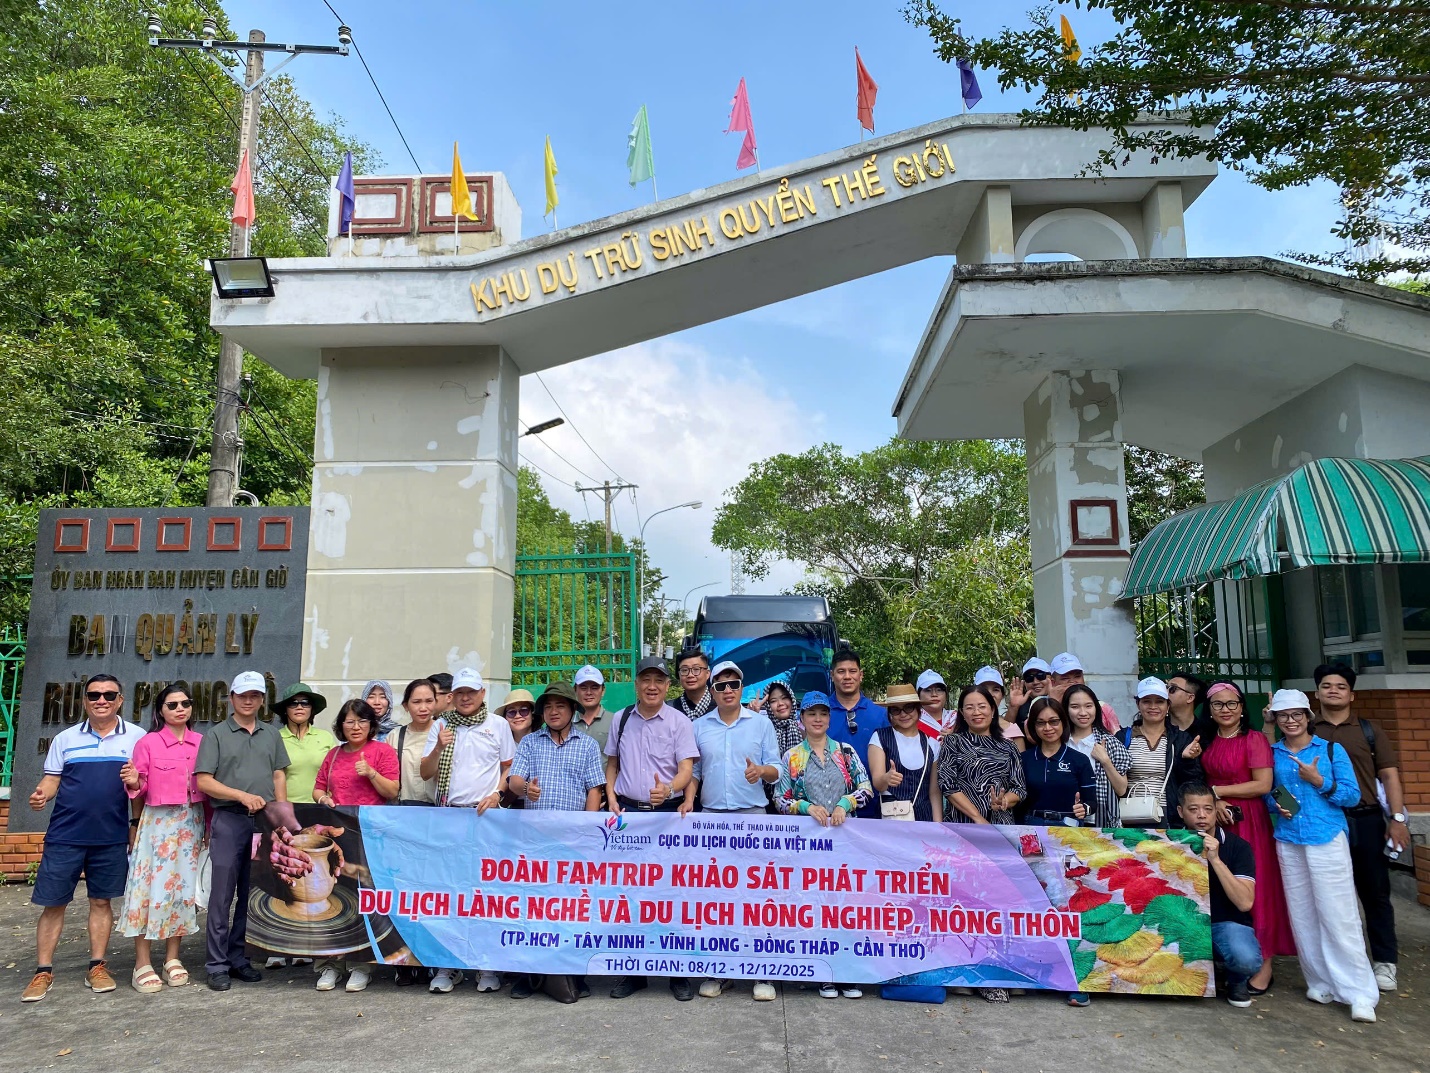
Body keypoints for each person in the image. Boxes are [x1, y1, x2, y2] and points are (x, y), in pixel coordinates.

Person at [23, 673, 138, 1002]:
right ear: (85, 701)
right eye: (94, 695)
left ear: (120, 700)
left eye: (108, 695)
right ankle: (42, 972)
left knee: (101, 902)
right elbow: (51, 781)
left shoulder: (136, 738)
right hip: (65, 835)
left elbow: (140, 787)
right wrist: (40, 795)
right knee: (54, 903)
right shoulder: (66, 739)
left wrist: (135, 814)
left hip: (111, 836)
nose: (101, 700)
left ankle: (97, 967)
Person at [1266, 688, 1378, 1023]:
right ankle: (1319, 981)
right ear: (1277, 719)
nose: (1291, 720)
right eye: (1284, 715)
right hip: (1288, 839)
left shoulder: (1331, 749)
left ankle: (1359, 992)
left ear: (1308, 716)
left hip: (1326, 836)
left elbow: (1351, 794)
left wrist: (1318, 780)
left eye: (1297, 714)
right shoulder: (1272, 753)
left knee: (1339, 914)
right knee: (1302, 914)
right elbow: (1268, 794)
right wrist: (1276, 805)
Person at [605, 656, 701, 1002]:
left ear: (667, 686)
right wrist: (610, 794)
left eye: (659, 681)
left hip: (669, 815)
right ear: (636, 684)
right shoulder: (622, 718)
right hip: (631, 815)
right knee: (632, 894)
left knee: (673, 893)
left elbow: (686, 769)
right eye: (646, 679)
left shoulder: (679, 721)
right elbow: (612, 763)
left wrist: (670, 789)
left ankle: (678, 973)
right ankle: (635, 972)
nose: (652, 686)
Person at [1312, 662, 1409, 992]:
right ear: (1317, 692)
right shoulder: (1307, 729)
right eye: (1327, 685)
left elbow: (1390, 776)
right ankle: (1337, 962)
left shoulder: (1370, 730)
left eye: (1340, 686)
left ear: (1351, 694)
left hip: (1365, 819)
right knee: (1329, 897)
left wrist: (1397, 819)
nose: (1333, 690)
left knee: (1375, 893)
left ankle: (1384, 962)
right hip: (1324, 823)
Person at [507, 681, 606, 1001]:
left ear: (572, 710)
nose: (553, 711)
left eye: (560, 706)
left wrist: (589, 831)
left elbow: (595, 790)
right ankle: (528, 975)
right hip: (535, 841)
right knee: (533, 908)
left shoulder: (588, 745)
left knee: (571, 909)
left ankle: (574, 973)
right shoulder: (530, 744)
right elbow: (515, 779)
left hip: (573, 841)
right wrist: (525, 790)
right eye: (548, 706)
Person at [689, 662, 781, 1002]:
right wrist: (688, 801)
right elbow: (694, 770)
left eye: (734, 684)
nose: (728, 690)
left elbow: (778, 770)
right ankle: (720, 971)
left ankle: (762, 972)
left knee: (756, 896)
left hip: (752, 818)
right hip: (712, 818)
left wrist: (762, 771)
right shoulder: (699, 727)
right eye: (721, 685)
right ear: (711, 690)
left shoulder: (761, 724)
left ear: (743, 687)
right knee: (717, 898)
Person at [194, 670, 289, 992]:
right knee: (221, 896)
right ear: (231, 698)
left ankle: (239, 958)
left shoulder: (271, 734)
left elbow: (278, 775)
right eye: (242, 695)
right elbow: (204, 780)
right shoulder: (217, 734)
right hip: (230, 820)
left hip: (263, 822)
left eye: (255, 696)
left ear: (262, 700)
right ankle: (216, 964)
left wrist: (282, 814)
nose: (249, 701)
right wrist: (240, 795)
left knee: (252, 894)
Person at [773, 691, 872, 1000]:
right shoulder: (792, 757)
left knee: (847, 908)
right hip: (808, 849)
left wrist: (846, 802)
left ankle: (847, 972)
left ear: (829, 718)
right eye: (811, 714)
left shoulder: (846, 752)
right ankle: (823, 973)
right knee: (814, 908)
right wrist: (803, 807)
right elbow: (779, 798)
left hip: (845, 845)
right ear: (801, 719)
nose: (817, 719)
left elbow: (866, 787)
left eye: (823, 713)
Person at [420, 667, 514, 995]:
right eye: (460, 692)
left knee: (485, 894)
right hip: (449, 817)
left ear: (482, 694)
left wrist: (497, 793)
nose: (465, 697)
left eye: (471, 692)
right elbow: (425, 772)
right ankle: (448, 966)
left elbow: (508, 767)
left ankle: (486, 966)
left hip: (485, 818)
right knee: (450, 893)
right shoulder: (442, 725)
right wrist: (437, 748)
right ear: (452, 696)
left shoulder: (498, 725)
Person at [1200, 680, 1292, 993]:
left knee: (1257, 889)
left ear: (1242, 708)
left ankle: (1264, 964)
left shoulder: (1253, 740)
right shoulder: (1207, 742)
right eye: (1218, 704)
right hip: (1216, 821)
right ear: (1209, 710)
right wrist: (1215, 802)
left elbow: (1262, 784)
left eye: (1232, 704)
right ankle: (1231, 956)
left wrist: (1216, 792)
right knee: (1218, 886)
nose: (1225, 710)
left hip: (1249, 821)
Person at [118, 682, 205, 994]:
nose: (180, 709)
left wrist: (208, 828)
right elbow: (138, 786)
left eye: (185, 703)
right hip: (158, 826)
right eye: (172, 704)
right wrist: (132, 782)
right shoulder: (149, 743)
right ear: (160, 711)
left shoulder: (200, 742)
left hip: (192, 822)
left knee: (183, 890)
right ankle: (142, 962)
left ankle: (172, 958)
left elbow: (207, 786)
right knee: (150, 889)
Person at [312, 699, 399, 993]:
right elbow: (318, 788)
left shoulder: (382, 752)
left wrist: (371, 773)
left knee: (365, 900)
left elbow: (393, 791)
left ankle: (361, 966)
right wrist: (323, 799)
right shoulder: (334, 755)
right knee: (333, 899)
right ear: (341, 725)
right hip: (338, 835)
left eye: (362, 721)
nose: (356, 727)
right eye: (349, 722)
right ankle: (329, 965)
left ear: (371, 725)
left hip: (370, 836)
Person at [1176, 783, 1263, 1009]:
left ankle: (1236, 980)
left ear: (1216, 810)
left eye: (1208, 809)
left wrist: (1215, 859)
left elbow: (1245, 903)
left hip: (1224, 922)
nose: (1202, 815)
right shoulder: (1168, 842)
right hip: (1182, 922)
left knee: (1246, 959)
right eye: (1193, 810)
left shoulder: (1238, 847)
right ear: (1180, 812)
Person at [1117, 677, 1204, 828]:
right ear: (1138, 704)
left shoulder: (1180, 739)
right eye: (1146, 701)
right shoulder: (1123, 737)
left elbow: (1192, 783)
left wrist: (1187, 760)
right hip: (1129, 814)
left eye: (1159, 701)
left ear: (1168, 705)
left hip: (1167, 816)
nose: (1153, 706)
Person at [940, 685, 1026, 826]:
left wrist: (1004, 800)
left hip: (1000, 826)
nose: (976, 712)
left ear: (992, 710)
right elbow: (947, 784)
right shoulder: (952, 742)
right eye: (969, 708)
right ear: (962, 713)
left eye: (982, 706)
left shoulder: (1009, 746)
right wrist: (977, 817)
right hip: (962, 825)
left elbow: (1019, 788)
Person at [826, 647, 889, 818]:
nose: (847, 677)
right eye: (841, 672)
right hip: (830, 807)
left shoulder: (880, 715)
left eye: (852, 671)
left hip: (874, 805)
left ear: (861, 675)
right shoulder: (820, 713)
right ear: (832, 675)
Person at [868, 683, 943, 822]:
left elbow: (934, 792)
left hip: (924, 820)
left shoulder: (931, 744)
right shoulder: (879, 738)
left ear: (918, 709)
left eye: (909, 708)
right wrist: (886, 778)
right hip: (891, 821)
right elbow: (877, 783)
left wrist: (938, 826)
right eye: (896, 710)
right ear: (890, 714)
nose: (903, 714)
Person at [1021, 697, 1096, 825]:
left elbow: (1092, 803)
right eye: (1040, 723)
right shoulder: (1023, 759)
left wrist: (1084, 809)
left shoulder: (1079, 759)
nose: (1048, 727)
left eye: (1054, 721)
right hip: (1032, 827)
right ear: (1033, 726)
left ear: (1063, 722)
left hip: (1069, 829)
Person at [1064, 684, 1131, 828]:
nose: (1083, 712)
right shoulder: (1060, 743)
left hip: (1100, 821)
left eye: (1088, 706)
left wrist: (1105, 760)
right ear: (1066, 710)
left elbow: (1121, 789)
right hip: (1063, 820)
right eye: (1075, 707)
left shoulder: (1110, 743)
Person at [274, 683, 335, 805]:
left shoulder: (325, 737)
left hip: (321, 807)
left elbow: (336, 772)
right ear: (285, 710)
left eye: (305, 702)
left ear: (311, 709)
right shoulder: (275, 737)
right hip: (287, 810)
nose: (299, 707)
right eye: (293, 703)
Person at [392, 678, 440, 806]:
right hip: (405, 810)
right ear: (406, 706)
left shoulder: (445, 733)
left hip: (439, 811)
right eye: (416, 702)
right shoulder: (395, 736)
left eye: (429, 701)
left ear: (436, 703)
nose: (423, 708)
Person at [1048, 652, 1121, 732]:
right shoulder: (1043, 708)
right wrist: (1053, 704)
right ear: (1053, 682)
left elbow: (1118, 738)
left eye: (1077, 676)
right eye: (1065, 678)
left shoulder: (1103, 708)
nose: (1072, 682)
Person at [494, 688, 539, 807]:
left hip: (537, 805)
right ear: (505, 718)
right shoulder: (497, 744)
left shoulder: (544, 743)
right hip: (504, 805)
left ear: (532, 715)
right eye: (511, 712)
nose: (518, 716)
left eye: (524, 711)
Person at [572, 664, 615, 753]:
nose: (589, 692)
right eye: (583, 688)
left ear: (603, 690)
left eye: (594, 688)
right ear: (575, 690)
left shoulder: (614, 721)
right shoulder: (567, 722)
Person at [1005, 656, 1052, 732]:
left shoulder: (1062, 700)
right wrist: (1013, 707)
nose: (1035, 682)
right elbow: (1005, 733)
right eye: (1029, 678)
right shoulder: (1020, 706)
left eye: (1040, 676)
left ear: (1050, 678)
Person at [672, 647, 715, 721]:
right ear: (679, 674)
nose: (690, 675)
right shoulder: (670, 708)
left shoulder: (720, 707)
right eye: (684, 670)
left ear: (707, 674)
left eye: (696, 669)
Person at [764, 681, 804, 756]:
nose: (780, 703)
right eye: (773, 701)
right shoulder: (764, 732)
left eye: (784, 698)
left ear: (792, 699)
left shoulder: (807, 728)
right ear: (768, 706)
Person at [916, 670, 954, 738]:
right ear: (918, 695)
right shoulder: (912, 721)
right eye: (928, 690)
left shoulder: (957, 719)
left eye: (939, 690)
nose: (934, 694)